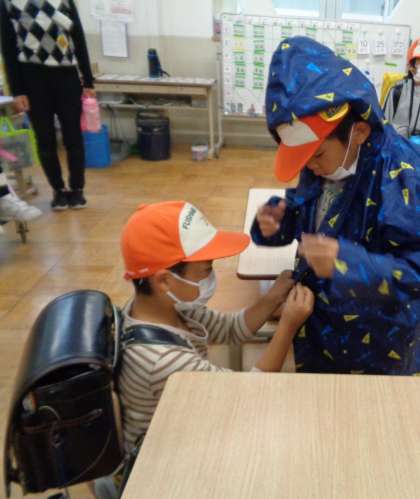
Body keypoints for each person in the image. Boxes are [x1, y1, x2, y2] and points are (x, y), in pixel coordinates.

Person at [92, 200, 314, 499]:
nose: (211, 276)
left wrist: (272, 297)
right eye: (205, 269)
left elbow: (230, 328)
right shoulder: (162, 361)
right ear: (164, 280)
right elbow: (250, 391)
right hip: (164, 464)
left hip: (185, 421)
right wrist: (288, 326)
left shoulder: (169, 307)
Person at [252, 36, 420, 375]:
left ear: (359, 132)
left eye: (315, 156)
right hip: (319, 329)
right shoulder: (324, 162)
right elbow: (308, 213)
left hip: (377, 345)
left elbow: (414, 275)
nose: (309, 167)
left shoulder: (403, 177)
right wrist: (276, 223)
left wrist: (346, 264)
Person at [0, 0, 95, 210]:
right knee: (45, 139)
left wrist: (88, 80)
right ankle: (58, 190)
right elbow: (8, 47)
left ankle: (77, 189)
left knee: (73, 136)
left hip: (67, 76)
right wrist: (17, 91)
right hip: (32, 79)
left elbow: (78, 38)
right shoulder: (9, 4)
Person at [384, 38, 420, 140]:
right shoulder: (397, 91)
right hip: (399, 146)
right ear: (410, 66)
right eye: (418, 63)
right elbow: (384, 125)